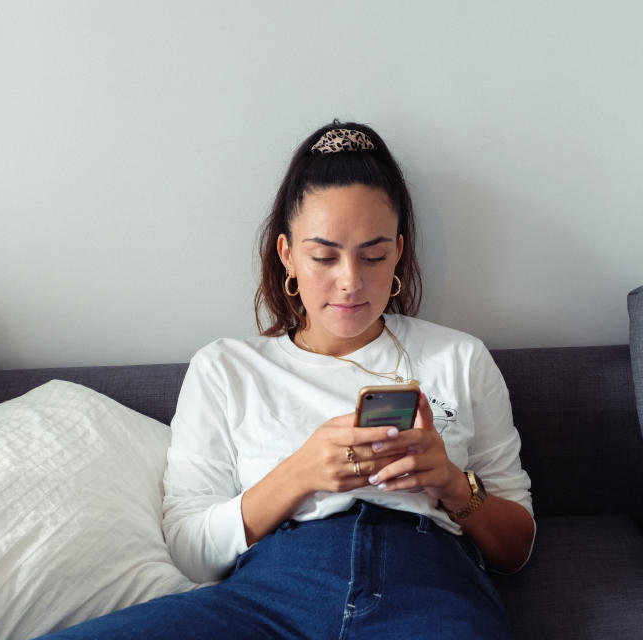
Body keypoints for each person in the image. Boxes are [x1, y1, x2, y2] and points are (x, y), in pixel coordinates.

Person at [40, 121, 535, 639]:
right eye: (324, 256)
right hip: (271, 599)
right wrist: (299, 474)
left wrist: (452, 485)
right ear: (287, 256)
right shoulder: (226, 367)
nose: (350, 280)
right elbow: (190, 551)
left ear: (399, 254)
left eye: (373, 255)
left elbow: (516, 550)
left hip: (427, 591)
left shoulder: (460, 356)